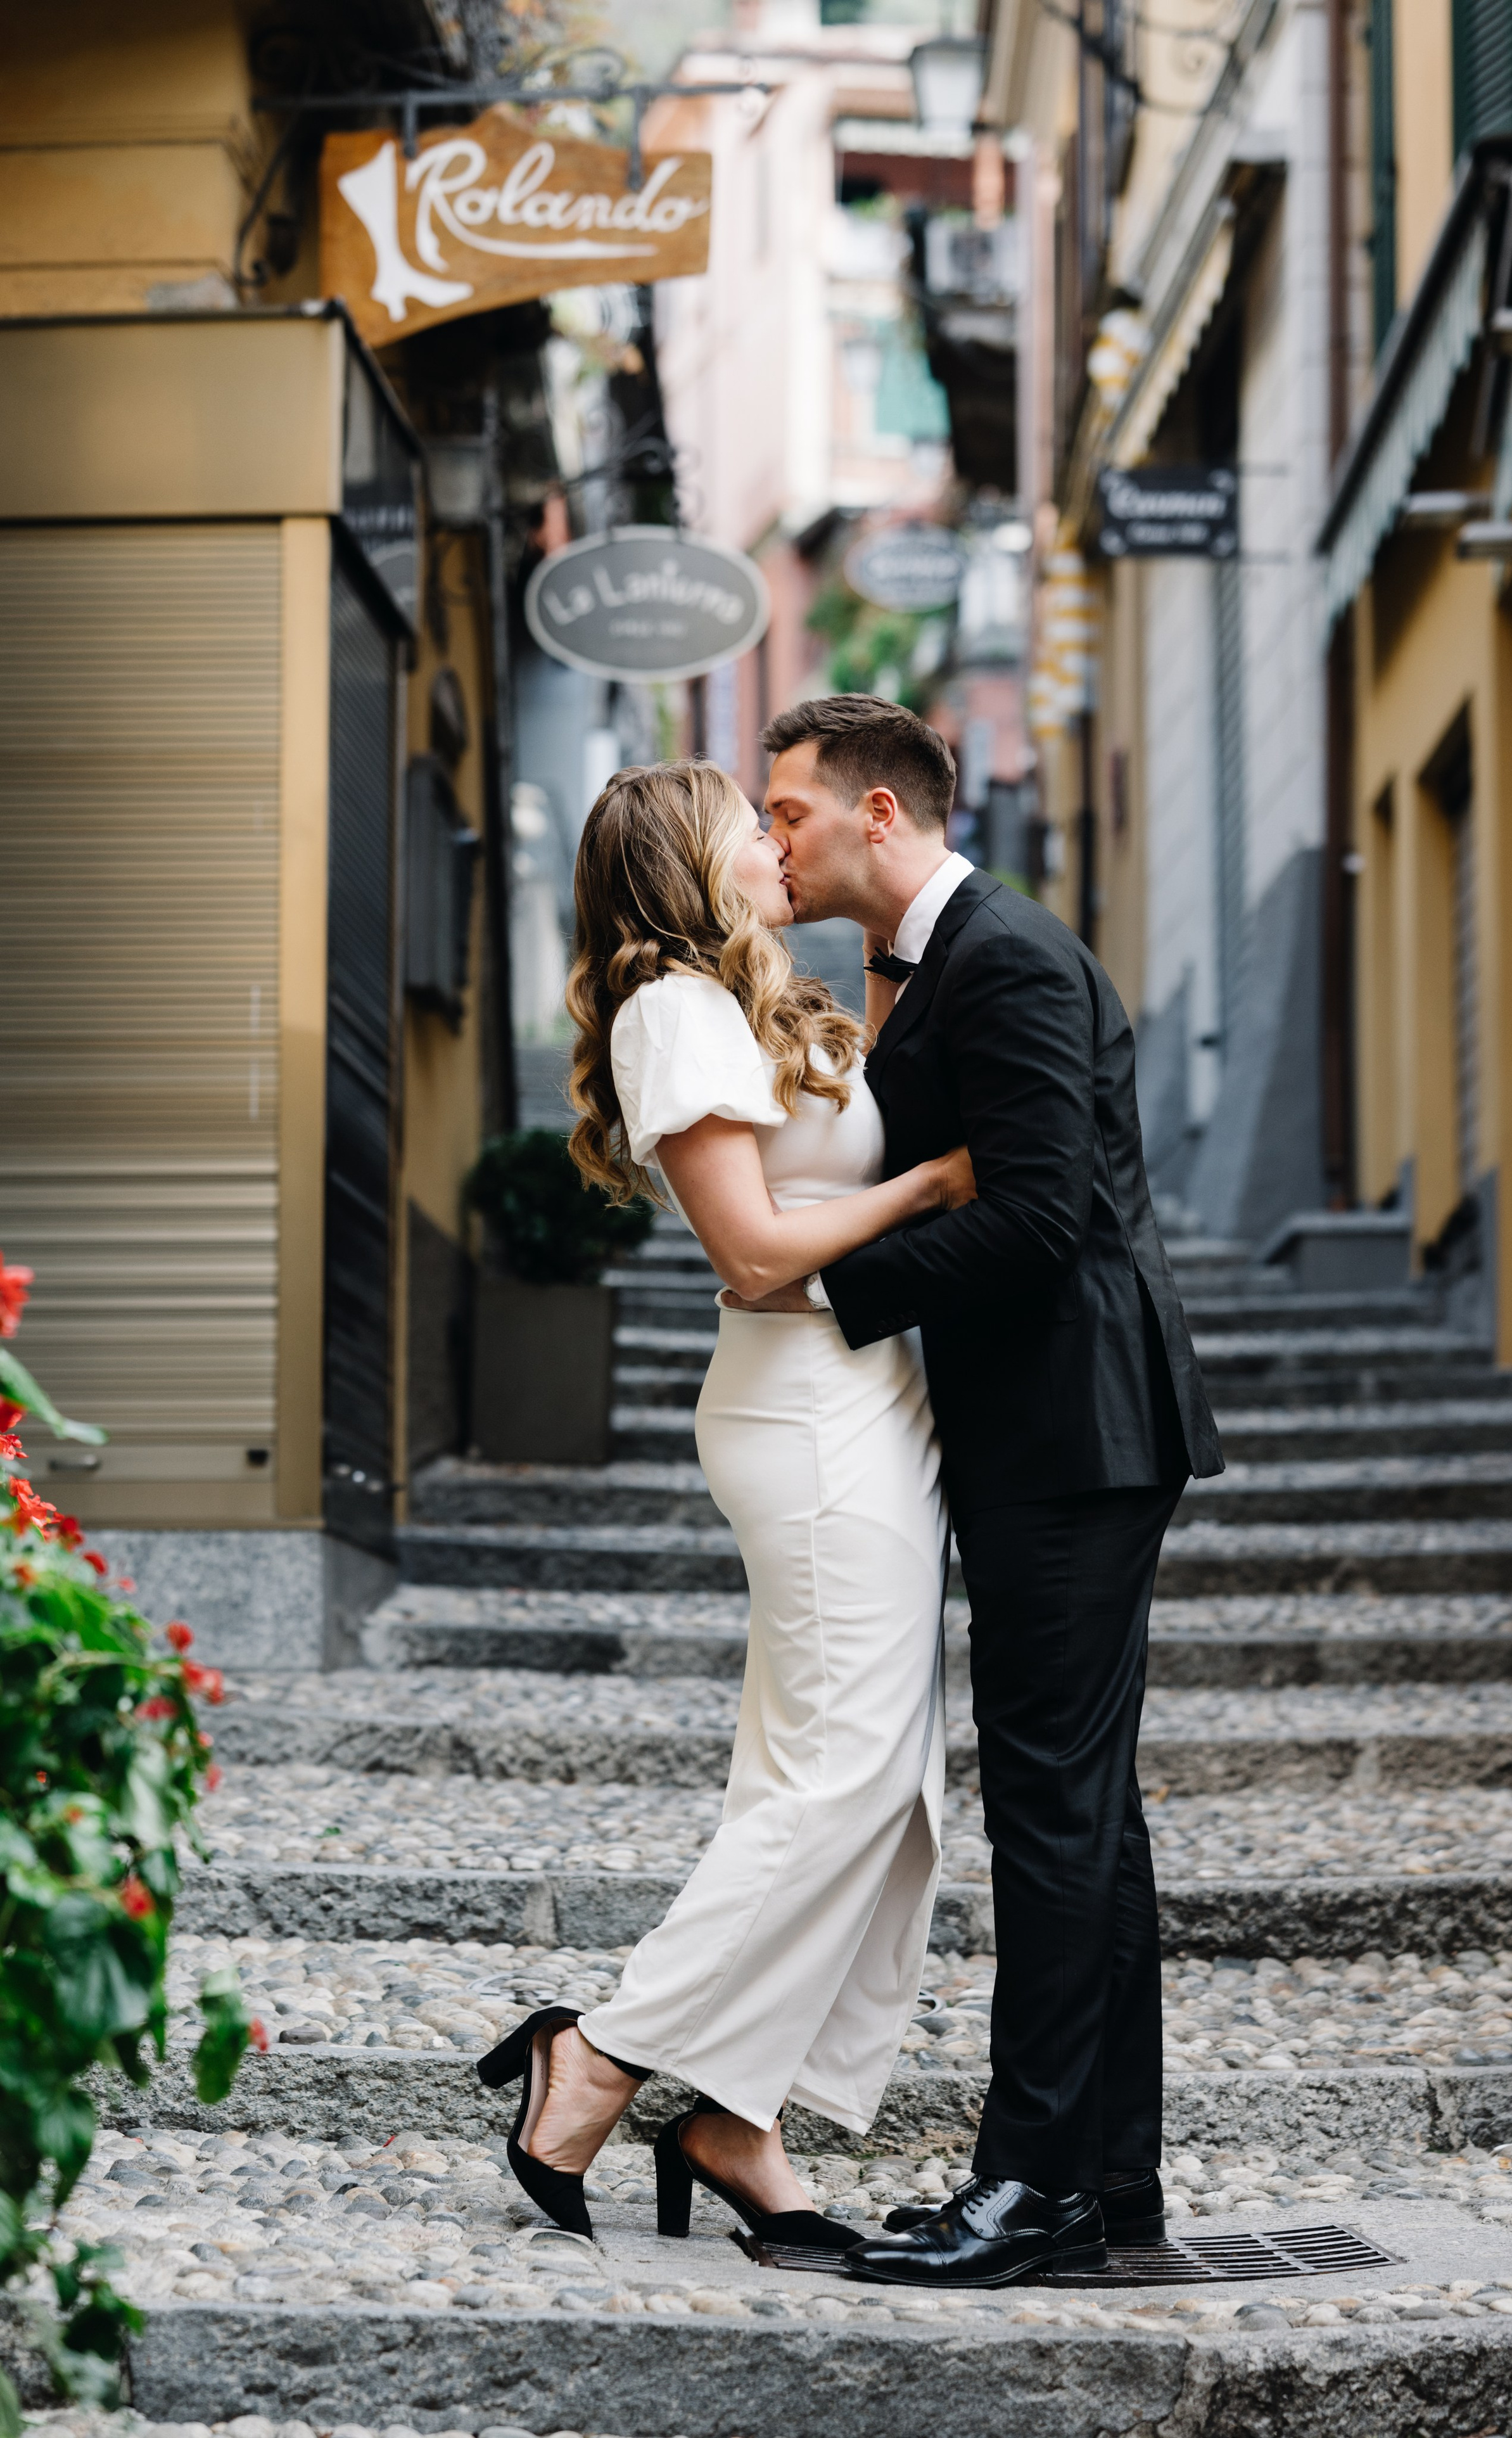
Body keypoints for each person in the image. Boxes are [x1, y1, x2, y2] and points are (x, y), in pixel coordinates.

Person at [737, 693, 1224, 2291]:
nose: (771, 837)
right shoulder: (934, 963)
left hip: (1073, 1429)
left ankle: (1031, 2190)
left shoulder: (1004, 957)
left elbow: (1041, 1216)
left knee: (1050, 1805)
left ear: (879, 815)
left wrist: (828, 1287)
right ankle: (1106, 2178)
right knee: (1089, 1809)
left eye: (788, 810)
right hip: (1053, 1427)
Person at [476, 757, 978, 2264]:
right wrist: (930, 1185)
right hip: (804, 1406)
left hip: (867, 1403)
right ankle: (603, 2054)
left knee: (862, 1789)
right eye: (747, 829)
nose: (774, 845)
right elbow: (756, 1254)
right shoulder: (666, 1010)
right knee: (842, 1780)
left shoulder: (753, 999)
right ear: (685, 862)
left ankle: (735, 2120)